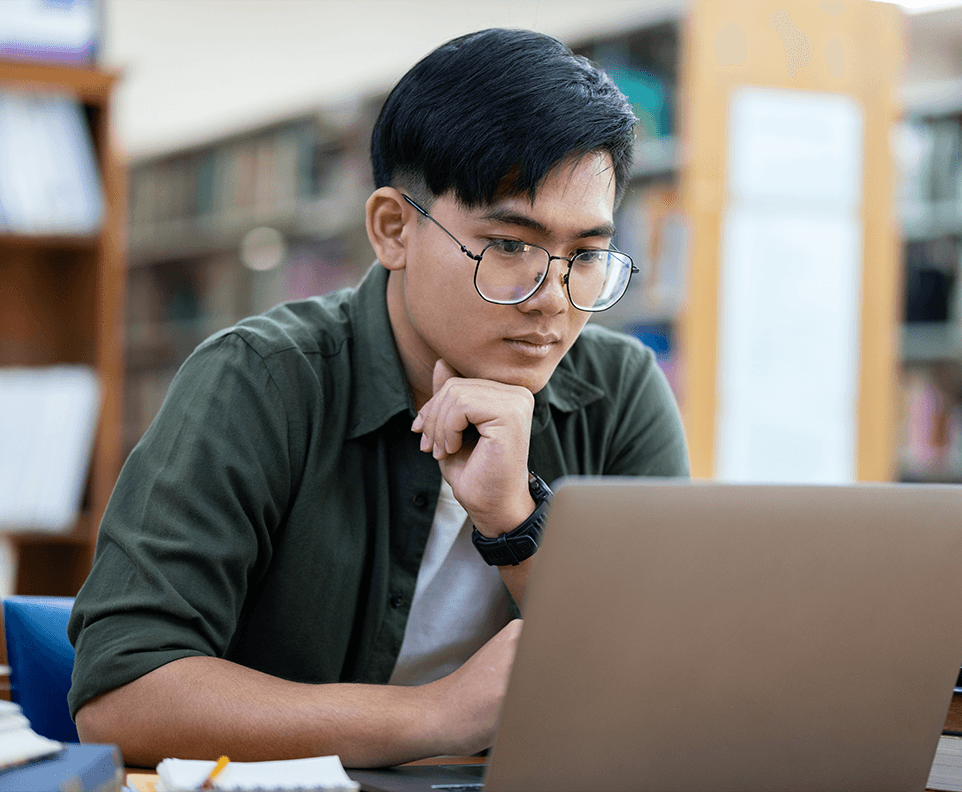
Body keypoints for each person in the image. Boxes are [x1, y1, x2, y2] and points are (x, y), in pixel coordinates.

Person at [67, 27, 689, 768]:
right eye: (511, 247)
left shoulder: (618, 392)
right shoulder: (259, 382)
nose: (552, 301)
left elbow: (664, 686)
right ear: (393, 230)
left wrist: (515, 522)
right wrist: (436, 715)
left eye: (585, 256)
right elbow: (123, 697)